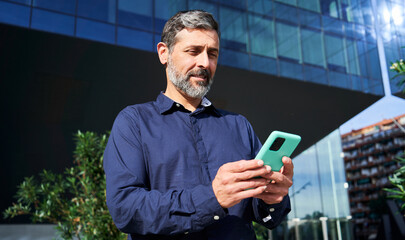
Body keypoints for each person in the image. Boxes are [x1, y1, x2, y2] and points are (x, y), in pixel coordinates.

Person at [104, 10, 293, 240]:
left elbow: (266, 216)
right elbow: (126, 209)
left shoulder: (239, 126)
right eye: (193, 51)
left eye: (212, 54)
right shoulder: (133, 123)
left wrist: (274, 199)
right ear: (164, 53)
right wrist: (212, 198)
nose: (204, 63)